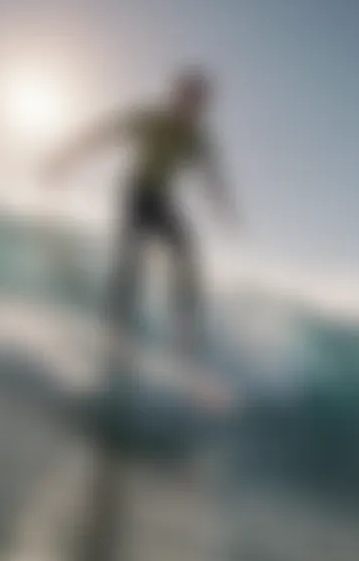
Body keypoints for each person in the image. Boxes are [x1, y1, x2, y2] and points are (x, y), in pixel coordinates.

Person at [45, 67, 236, 361]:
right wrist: (67, 158)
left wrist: (224, 208)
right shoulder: (150, 119)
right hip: (136, 192)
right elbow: (103, 134)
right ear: (176, 97)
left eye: (199, 103)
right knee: (132, 262)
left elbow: (212, 175)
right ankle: (113, 329)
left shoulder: (198, 139)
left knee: (186, 253)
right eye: (187, 99)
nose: (192, 108)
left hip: (161, 198)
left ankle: (185, 333)